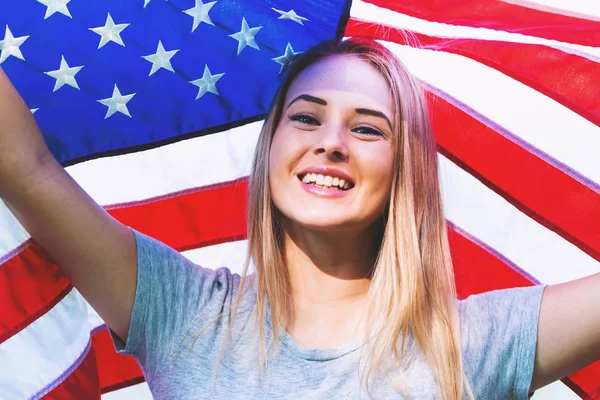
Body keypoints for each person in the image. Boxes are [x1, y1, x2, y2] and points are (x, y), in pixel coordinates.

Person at [0, 37, 598, 400]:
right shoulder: (181, 311)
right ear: (271, 148)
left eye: (367, 128)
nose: (331, 143)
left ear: (406, 171)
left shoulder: (469, 345)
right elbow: (25, 169)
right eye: (307, 118)